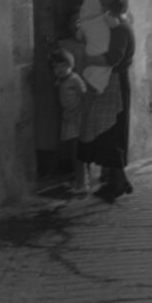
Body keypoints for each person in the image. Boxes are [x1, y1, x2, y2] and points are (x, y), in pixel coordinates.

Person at [78, 0, 135, 203]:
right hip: (114, 82)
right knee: (110, 131)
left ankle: (118, 182)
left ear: (108, 7)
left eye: (101, 4)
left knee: (112, 132)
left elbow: (113, 58)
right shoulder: (117, 25)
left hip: (116, 83)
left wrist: (89, 60)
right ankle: (118, 180)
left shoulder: (119, 29)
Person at [50, 47, 90, 195]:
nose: (59, 70)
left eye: (63, 66)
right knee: (73, 152)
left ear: (70, 65)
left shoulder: (74, 79)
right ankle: (79, 179)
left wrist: (83, 115)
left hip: (77, 119)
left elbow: (85, 97)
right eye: (55, 67)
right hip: (69, 119)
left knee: (78, 152)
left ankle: (82, 183)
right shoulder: (62, 80)